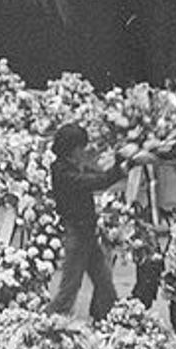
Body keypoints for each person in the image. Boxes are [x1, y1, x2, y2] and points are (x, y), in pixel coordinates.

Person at [45, 124, 150, 320]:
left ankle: (111, 319)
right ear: (71, 148)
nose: (84, 151)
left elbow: (100, 174)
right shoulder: (63, 172)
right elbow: (97, 181)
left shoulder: (71, 165)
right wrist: (127, 165)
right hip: (77, 234)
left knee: (104, 284)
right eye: (81, 147)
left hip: (87, 233)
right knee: (69, 288)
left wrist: (121, 158)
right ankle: (45, 323)